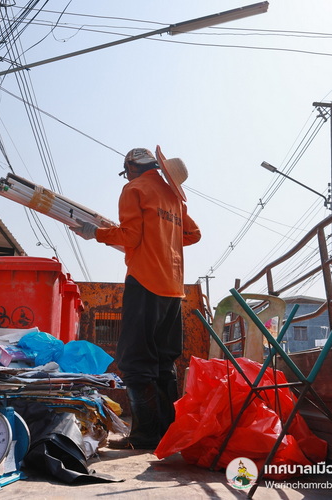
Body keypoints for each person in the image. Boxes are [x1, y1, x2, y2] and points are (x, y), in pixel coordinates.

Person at [72, 146, 201, 449]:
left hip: (145, 282)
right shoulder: (173, 197)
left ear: (131, 166)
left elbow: (130, 236)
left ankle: (144, 436)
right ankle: (167, 432)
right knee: (163, 362)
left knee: (135, 361)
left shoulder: (135, 189)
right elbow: (193, 235)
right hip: (173, 289)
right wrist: (163, 238)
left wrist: (96, 232)